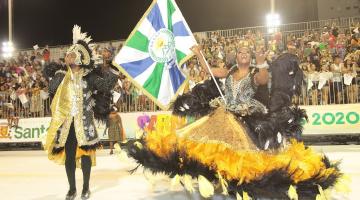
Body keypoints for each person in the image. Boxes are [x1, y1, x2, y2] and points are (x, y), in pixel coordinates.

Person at [125, 43, 341, 199]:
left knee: (239, 155)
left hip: (245, 117)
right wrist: (199, 54)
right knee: (201, 144)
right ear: (236, 56)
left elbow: (264, 79)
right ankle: (211, 179)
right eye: (241, 51)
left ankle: (234, 184)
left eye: (247, 52)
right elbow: (208, 70)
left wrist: (260, 60)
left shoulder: (256, 74)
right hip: (221, 113)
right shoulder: (228, 72)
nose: (244, 54)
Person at [42, 25, 118, 200]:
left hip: (84, 124)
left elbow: (106, 86)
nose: (66, 57)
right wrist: (54, 76)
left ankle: (85, 188)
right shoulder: (61, 75)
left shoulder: (89, 76)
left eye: (70, 54)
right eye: (67, 55)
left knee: (85, 156)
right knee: (69, 157)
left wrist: (113, 68)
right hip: (67, 125)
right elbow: (52, 90)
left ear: (78, 57)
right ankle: (71, 188)